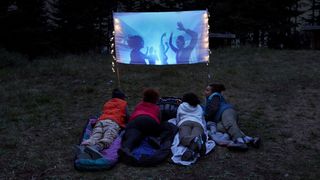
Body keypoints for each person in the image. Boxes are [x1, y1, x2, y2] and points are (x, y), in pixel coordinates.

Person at [204, 83, 260, 151]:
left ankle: (240, 142)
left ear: (213, 92)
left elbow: (214, 108)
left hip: (225, 111)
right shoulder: (208, 100)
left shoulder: (215, 95)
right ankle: (250, 139)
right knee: (221, 128)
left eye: (207, 90)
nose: (205, 92)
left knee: (229, 124)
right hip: (220, 118)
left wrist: (206, 116)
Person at [77, 88, 129, 159]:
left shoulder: (108, 103)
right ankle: (96, 148)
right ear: (123, 97)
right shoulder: (124, 104)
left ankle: (85, 146)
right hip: (112, 123)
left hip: (100, 122)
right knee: (108, 138)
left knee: (95, 136)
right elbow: (127, 116)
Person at [120, 88, 161, 153]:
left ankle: (126, 148)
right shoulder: (157, 107)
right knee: (153, 131)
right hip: (150, 120)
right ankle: (153, 138)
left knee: (133, 135)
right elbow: (159, 120)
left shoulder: (139, 105)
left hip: (136, 120)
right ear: (156, 99)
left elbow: (132, 114)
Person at [176, 93, 207, 161]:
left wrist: (177, 125)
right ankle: (195, 144)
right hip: (197, 123)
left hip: (185, 122)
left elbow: (178, 117)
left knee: (184, 138)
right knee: (196, 136)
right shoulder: (199, 107)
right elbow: (202, 119)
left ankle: (193, 144)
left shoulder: (181, 106)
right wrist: (204, 130)